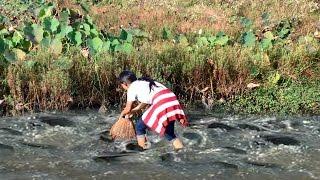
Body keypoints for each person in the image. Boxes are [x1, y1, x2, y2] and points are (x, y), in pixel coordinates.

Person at [118, 70, 188, 150]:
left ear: (124, 84)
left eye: (121, 86)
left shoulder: (131, 88)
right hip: (172, 99)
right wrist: (135, 110)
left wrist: (120, 117)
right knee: (169, 133)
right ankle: (181, 151)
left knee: (139, 127)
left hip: (161, 102)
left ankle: (143, 151)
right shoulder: (144, 82)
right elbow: (146, 101)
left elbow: (127, 108)